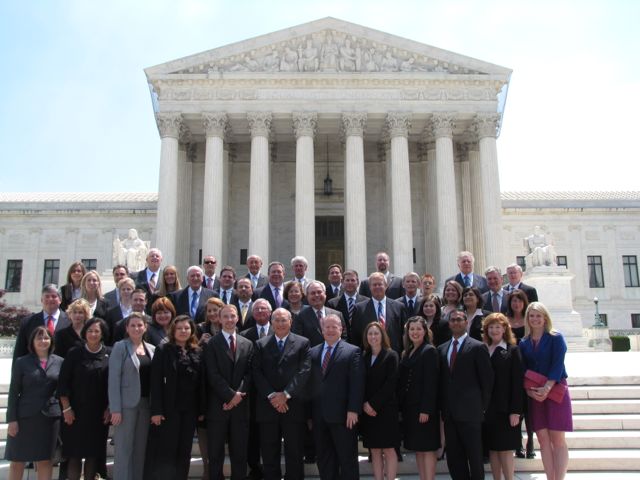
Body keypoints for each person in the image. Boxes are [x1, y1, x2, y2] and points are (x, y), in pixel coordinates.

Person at [252, 308, 311, 480]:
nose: (280, 323)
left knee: (294, 451)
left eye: (284, 320)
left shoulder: (303, 342)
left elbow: (304, 371)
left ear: (291, 321)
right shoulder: (261, 344)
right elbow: (257, 372)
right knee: (269, 452)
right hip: (268, 407)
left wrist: (285, 394)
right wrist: (272, 396)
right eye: (276, 320)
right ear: (271, 322)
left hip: (293, 406)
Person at [438, 308, 494, 480]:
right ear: (449, 324)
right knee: (454, 458)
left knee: (474, 457)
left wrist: (481, 407)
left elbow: (487, 380)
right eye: (453, 320)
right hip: (450, 414)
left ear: (466, 322)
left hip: (471, 413)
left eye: (459, 319)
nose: (456, 322)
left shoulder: (477, 347)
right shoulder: (442, 349)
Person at [145, 315, 203, 480]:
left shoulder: (197, 350)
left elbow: (201, 383)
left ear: (192, 330)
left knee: (184, 450)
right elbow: (155, 382)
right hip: (169, 409)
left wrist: (201, 409)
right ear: (173, 331)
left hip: (190, 409)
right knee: (168, 450)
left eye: (186, 328)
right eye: (179, 328)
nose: (183, 331)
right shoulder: (164, 350)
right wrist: (156, 410)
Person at [519, 302, 572, 480]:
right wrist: (529, 392)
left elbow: (558, 364)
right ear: (527, 319)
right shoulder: (524, 343)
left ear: (545, 318)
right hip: (535, 395)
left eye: (538, 315)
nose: (535, 319)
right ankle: (550, 477)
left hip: (555, 391)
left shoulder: (556, 338)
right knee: (542, 439)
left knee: (558, 439)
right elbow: (523, 369)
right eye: (531, 316)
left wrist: (548, 386)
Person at [309, 314, 363, 480]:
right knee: (325, 459)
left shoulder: (352, 351)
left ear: (341, 329)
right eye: (327, 326)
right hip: (319, 417)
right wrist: (309, 415)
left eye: (335, 327)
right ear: (322, 329)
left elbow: (357, 383)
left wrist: (353, 410)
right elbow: (309, 386)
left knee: (347, 459)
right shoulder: (312, 352)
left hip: (344, 417)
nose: (331, 330)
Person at [203, 304, 254, 480]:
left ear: (237, 318)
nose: (230, 320)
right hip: (218, 407)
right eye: (226, 316)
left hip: (240, 408)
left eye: (233, 316)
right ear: (219, 319)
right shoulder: (211, 344)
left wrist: (237, 396)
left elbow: (249, 374)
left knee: (239, 454)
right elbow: (212, 374)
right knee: (215, 455)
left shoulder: (247, 344)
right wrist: (230, 396)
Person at [6, 326, 63, 480]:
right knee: (17, 461)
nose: (43, 341)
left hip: (49, 419)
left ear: (51, 341)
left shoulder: (60, 362)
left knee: (45, 460)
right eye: (39, 337)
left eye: (46, 338)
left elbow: (63, 390)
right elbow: (13, 392)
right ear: (32, 341)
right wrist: (12, 419)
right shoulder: (21, 362)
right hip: (24, 418)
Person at [57, 318, 111, 480]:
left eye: (97, 331)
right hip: (74, 413)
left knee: (92, 455)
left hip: (98, 414)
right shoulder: (74, 353)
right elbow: (63, 382)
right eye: (90, 331)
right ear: (84, 333)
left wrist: (109, 408)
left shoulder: (110, 353)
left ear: (102, 334)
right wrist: (66, 408)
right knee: (74, 455)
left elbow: (113, 385)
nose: (93, 334)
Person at [108, 312, 156, 480]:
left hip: (145, 405)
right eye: (133, 325)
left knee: (140, 450)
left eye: (139, 325)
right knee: (124, 449)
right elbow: (113, 379)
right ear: (127, 328)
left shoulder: (152, 349)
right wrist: (115, 408)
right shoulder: (120, 347)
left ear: (145, 327)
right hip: (125, 406)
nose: (136, 328)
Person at [481, 313, 524, 480]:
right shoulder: (483, 349)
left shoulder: (513, 350)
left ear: (505, 328)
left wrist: (516, 411)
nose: (494, 330)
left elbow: (517, 383)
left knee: (505, 449)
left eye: (498, 326)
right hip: (488, 408)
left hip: (506, 410)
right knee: (492, 448)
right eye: (490, 327)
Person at [398, 317, 440, 480]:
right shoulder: (407, 351)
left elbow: (431, 383)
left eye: (418, 329)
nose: (415, 332)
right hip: (411, 408)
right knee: (419, 448)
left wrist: (426, 409)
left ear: (425, 331)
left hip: (424, 409)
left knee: (428, 448)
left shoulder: (429, 350)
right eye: (412, 329)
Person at [360, 322, 400, 480]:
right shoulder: (364, 356)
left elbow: (391, 383)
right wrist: (364, 403)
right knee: (374, 450)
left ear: (382, 336)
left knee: (389, 450)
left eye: (376, 333)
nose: (373, 337)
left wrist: (373, 404)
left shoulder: (391, 355)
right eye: (370, 334)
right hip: (368, 411)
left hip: (385, 410)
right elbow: (360, 382)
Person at [239, 298, 274, 480]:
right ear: (253, 314)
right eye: (257, 310)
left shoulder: (279, 331)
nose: (261, 312)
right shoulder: (245, 334)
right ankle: (254, 466)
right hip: (252, 393)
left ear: (270, 312)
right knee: (252, 432)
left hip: (275, 392)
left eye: (264, 309)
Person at [506, 289, 533, 459]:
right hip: (511, 368)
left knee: (528, 409)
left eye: (519, 301)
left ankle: (530, 441)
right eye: (513, 301)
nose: (516, 304)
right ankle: (517, 443)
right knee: (516, 408)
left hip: (528, 367)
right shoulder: (506, 320)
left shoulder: (530, 320)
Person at [351, 272, 407, 354]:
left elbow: (403, 333)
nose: (377, 287)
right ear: (370, 287)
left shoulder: (399, 307)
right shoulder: (359, 309)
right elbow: (355, 336)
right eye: (374, 285)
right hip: (368, 357)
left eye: (380, 284)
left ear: (386, 286)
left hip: (393, 355)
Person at [14, 284, 70, 359]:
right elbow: (19, 352)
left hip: (61, 369)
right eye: (47, 296)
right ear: (41, 300)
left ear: (60, 300)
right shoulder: (27, 322)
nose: (50, 299)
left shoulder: (70, 322)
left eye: (54, 296)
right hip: (33, 369)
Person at [292, 281, 346, 347]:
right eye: (313, 293)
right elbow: (298, 341)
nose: (316, 295)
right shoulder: (300, 316)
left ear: (325, 294)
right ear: (307, 297)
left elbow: (344, 338)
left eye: (319, 292)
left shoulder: (337, 314)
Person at [327, 269, 369, 338]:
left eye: (352, 280)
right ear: (342, 283)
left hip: (362, 342)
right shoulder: (332, 303)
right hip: (342, 341)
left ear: (358, 282)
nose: (350, 283)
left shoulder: (366, 302)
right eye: (347, 280)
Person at [104, 277, 135, 344]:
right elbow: (108, 334)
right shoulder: (110, 312)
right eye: (123, 289)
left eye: (128, 289)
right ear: (119, 291)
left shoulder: (137, 311)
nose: (126, 291)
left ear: (133, 291)